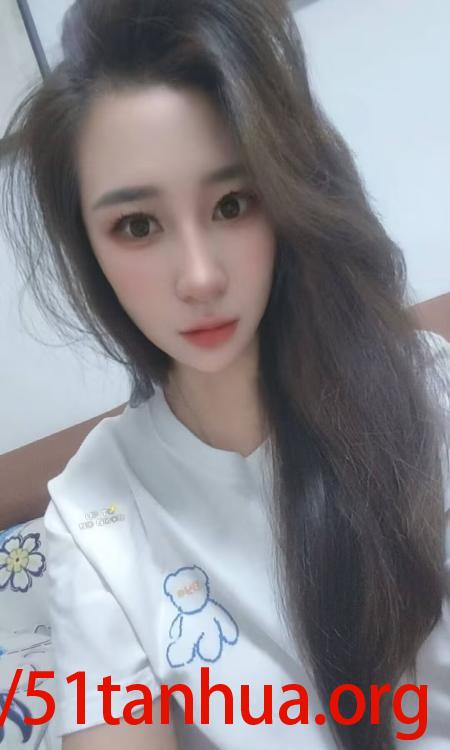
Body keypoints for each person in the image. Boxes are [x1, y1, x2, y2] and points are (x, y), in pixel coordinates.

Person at [1, 1, 449, 748]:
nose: (201, 277)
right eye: (137, 226)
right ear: (90, 249)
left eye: (233, 204)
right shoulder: (94, 516)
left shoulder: (429, 394)